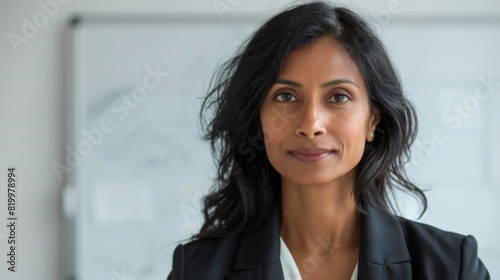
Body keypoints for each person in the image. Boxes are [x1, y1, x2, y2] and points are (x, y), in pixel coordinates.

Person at [167, 2, 490, 279]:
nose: (311, 125)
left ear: (373, 120)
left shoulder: (451, 266)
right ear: (258, 118)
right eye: (286, 96)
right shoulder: (197, 270)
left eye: (338, 97)